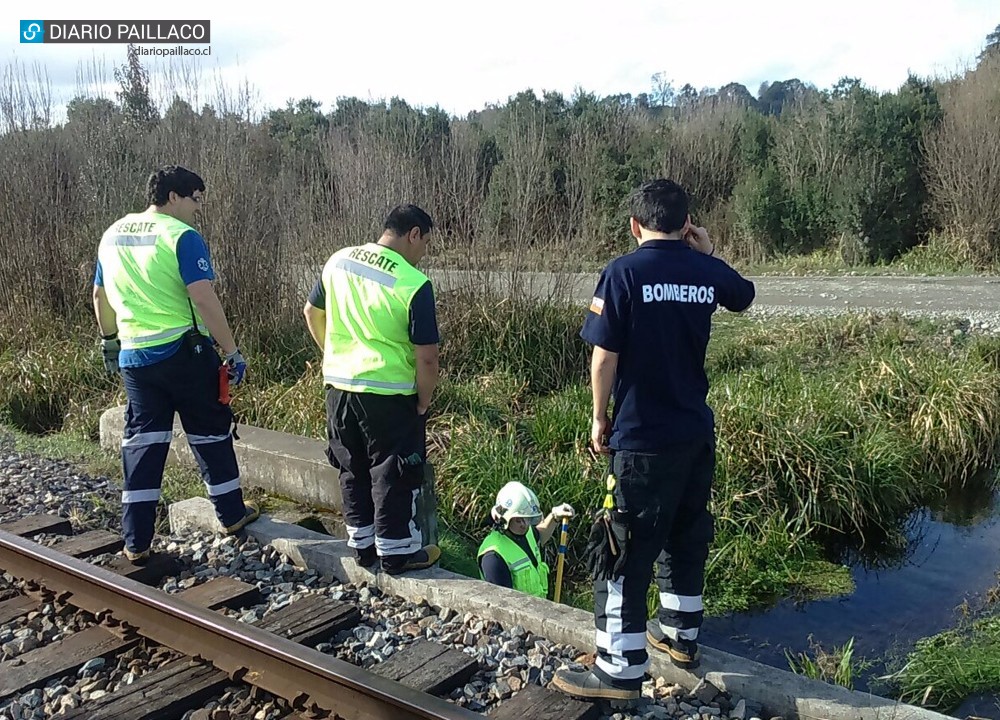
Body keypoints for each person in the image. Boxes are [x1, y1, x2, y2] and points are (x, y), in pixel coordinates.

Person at [552, 179, 756, 703]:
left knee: (623, 550)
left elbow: (603, 357)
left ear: (635, 226)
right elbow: (744, 295)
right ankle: (680, 638)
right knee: (685, 537)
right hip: (694, 435)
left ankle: (618, 669)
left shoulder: (622, 273)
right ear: (687, 225)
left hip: (641, 439)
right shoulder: (705, 271)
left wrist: (598, 419)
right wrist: (708, 255)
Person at [93, 165, 259, 563]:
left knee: (143, 444)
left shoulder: (113, 233)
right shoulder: (182, 237)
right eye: (195, 200)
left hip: (135, 356)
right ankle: (232, 514)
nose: (198, 209)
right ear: (173, 197)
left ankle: (136, 541)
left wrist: (110, 340)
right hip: (183, 351)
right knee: (209, 432)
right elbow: (202, 298)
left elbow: (100, 295)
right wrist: (232, 351)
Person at [303, 204, 441, 575]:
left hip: (338, 385)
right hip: (388, 393)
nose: (423, 253)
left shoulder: (339, 260)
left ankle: (363, 549)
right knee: (391, 473)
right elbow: (427, 358)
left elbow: (311, 313)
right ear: (413, 234)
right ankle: (396, 554)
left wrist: (332, 353)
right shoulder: (413, 284)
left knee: (351, 467)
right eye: (425, 243)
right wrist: (423, 401)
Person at [477, 481, 575, 598]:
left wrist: (554, 517)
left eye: (527, 519)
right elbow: (501, 604)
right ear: (504, 519)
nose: (525, 525)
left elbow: (539, 535)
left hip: (539, 610)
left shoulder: (525, 532)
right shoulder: (493, 557)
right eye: (519, 520)